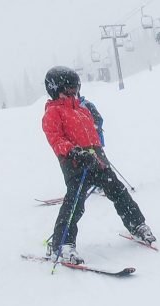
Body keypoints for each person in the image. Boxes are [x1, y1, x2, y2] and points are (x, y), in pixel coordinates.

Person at [41, 66, 154, 264]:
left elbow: (93, 133)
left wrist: (97, 151)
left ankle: (137, 224)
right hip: (75, 164)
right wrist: (74, 151)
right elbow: (56, 139)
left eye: (75, 88)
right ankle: (62, 243)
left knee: (119, 192)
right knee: (75, 204)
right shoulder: (53, 113)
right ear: (56, 88)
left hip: (97, 161)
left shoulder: (82, 110)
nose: (73, 92)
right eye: (69, 89)